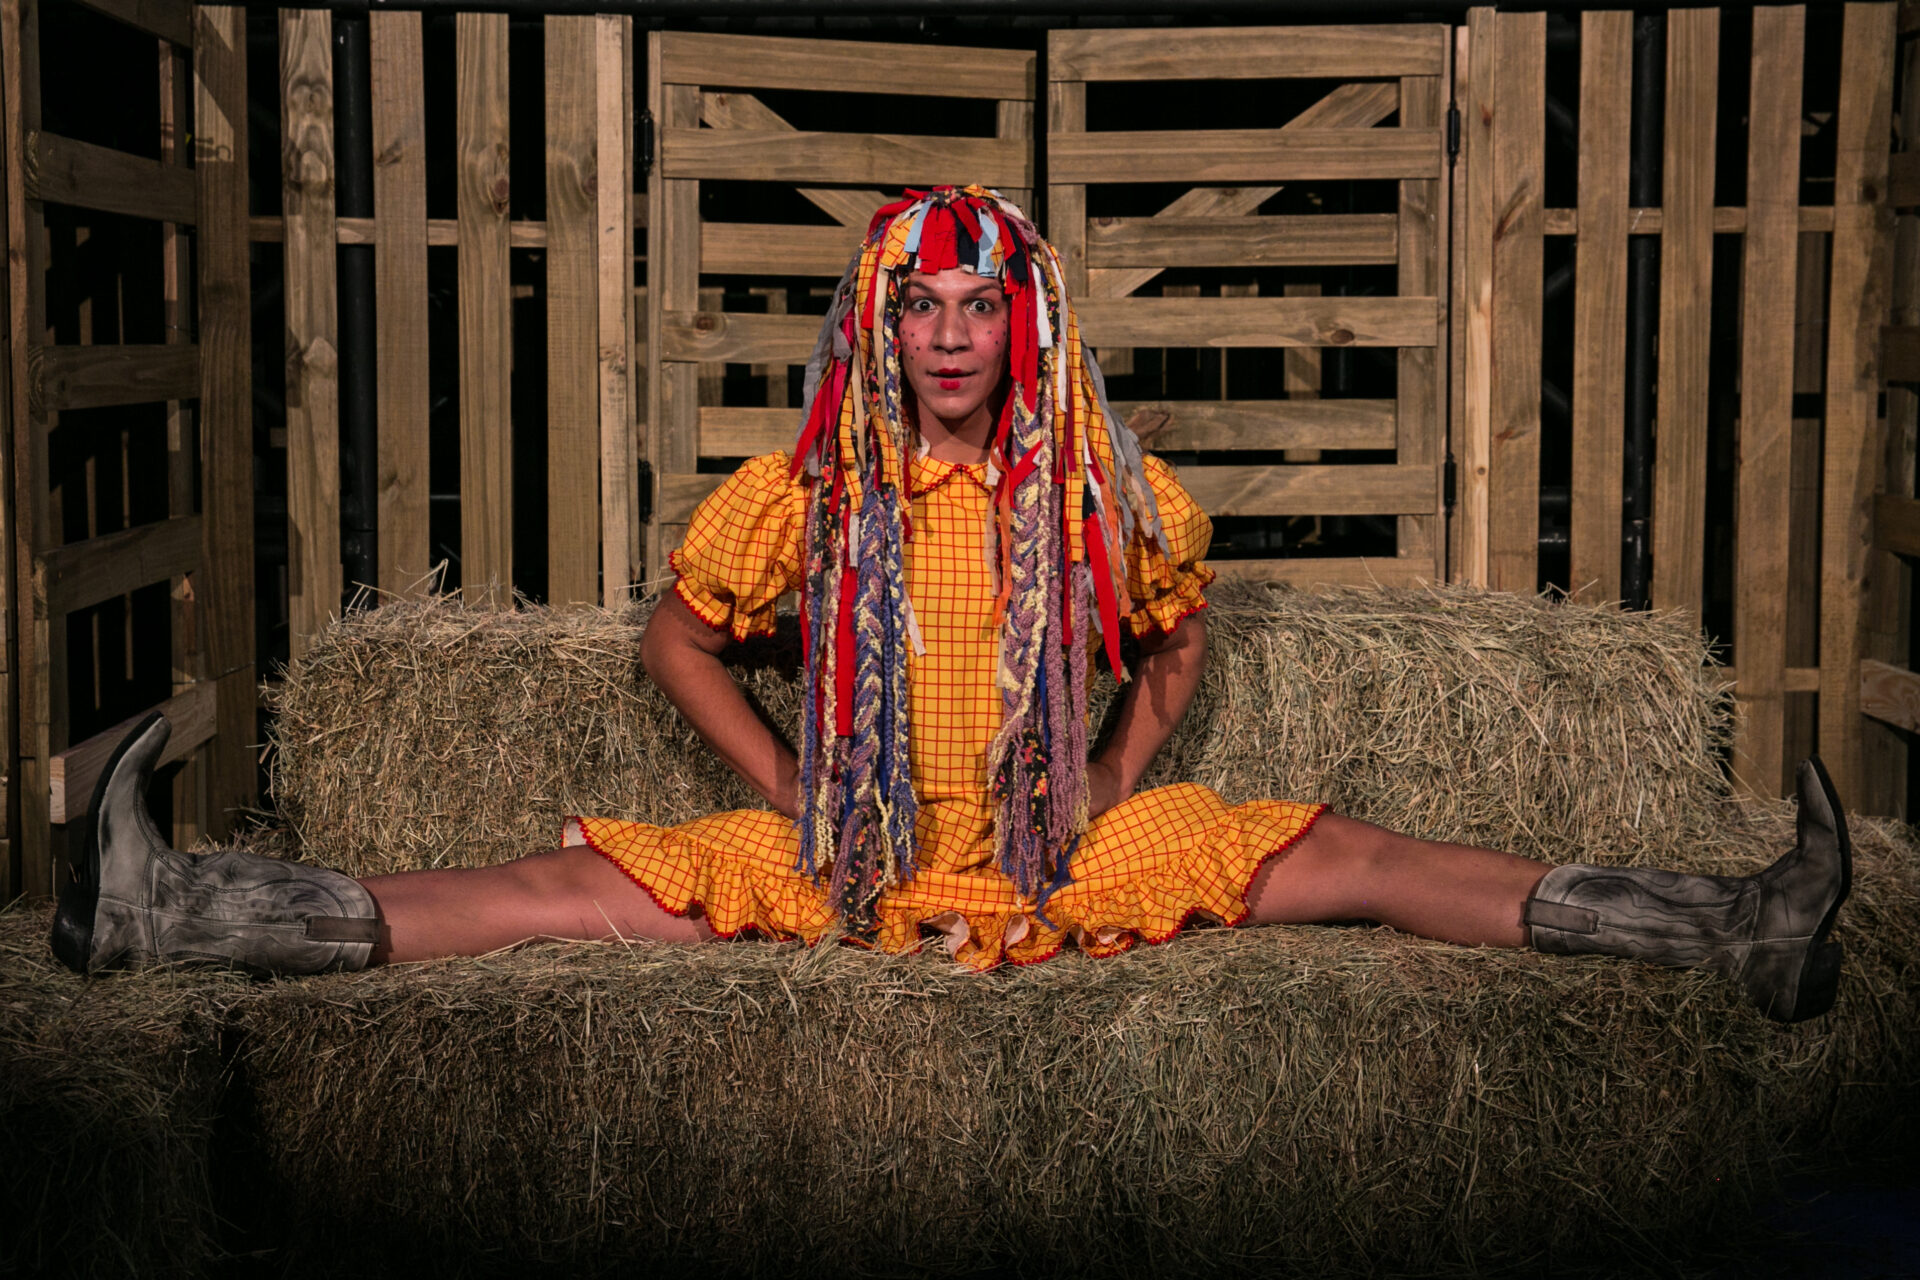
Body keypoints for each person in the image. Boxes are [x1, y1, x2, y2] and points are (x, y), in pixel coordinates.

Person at [52, 187, 1851, 1023]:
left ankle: (1731, 935)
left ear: (1028, 324)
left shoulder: (1097, 492)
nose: (952, 335)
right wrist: (786, 788)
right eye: (921, 308)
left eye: (982, 305)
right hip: (853, 851)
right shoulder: (817, 493)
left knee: (1363, 856)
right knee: (546, 892)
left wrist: (1108, 775)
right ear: (879, 329)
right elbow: (679, 637)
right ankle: (172, 917)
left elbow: (1180, 633)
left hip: (1058, 855)